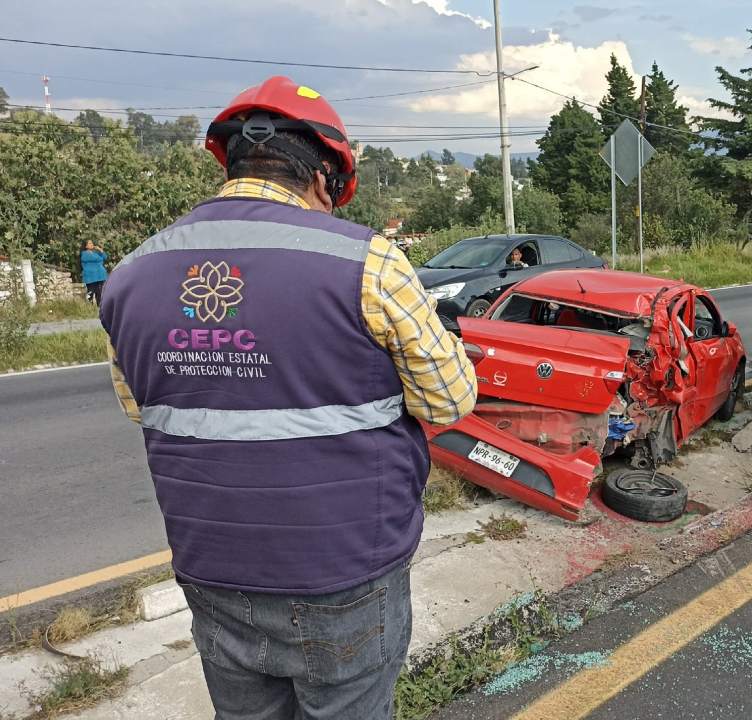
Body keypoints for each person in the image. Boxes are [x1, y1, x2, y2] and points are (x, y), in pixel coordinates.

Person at [99, 76, 477, 719]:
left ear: (232, 164)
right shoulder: (370, 261)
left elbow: (143, 406)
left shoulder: (129, 274)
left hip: (212, 569)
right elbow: (450, 401)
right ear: (325, 177)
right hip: (345, 568)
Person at [80, 240, 108, 306]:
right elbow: (96, 259)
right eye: (90, 243)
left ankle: (99, 307)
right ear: (86, 246)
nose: (92, 244)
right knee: (90, 292)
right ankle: (90, 307)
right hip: (91, 277)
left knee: (99, 292)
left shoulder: (96, 253)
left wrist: (100, 250)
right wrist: (100, 258)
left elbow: (105, 257)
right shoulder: (84, 254)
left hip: (100, 276)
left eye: (92, 243)